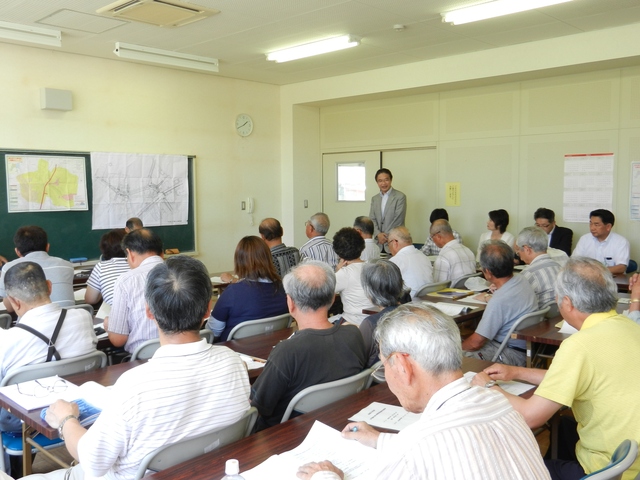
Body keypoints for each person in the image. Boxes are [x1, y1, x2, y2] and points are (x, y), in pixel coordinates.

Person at [30, 255, 251, 480]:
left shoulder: (135, 384)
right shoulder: (233, 362)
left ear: (149, 312)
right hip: (208, 471)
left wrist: (66, 419)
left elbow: (93, 463)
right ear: (207, 310)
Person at [297, 304, 550, 480]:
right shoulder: (498, 403)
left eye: (385, 366)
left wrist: (325, 476)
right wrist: (379, 439)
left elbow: (424, 448)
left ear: (404, 366)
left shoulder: (415, 447)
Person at [472, 257, 640, 480]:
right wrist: (516, 372)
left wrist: (489, 386)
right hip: (631, 459)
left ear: (567, 303)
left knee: (518, 468)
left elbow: (531, 417)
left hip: (605, 468)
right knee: (565, 428)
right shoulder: (628, 325)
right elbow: (571, 376)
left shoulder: (579, 345)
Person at [251, 261, 366, 430]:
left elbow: (258, 407)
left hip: (287, 434)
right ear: (333, 298)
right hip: (338, 421)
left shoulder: (287, 352)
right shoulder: (354, 335)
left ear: (290, 303)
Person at [0, 262, 97, 433]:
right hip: (80, 406)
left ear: (14, 301)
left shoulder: (7, 339)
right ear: (49, 287)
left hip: (22, 420)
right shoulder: (83, 317)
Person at [462, 240, 537, 366]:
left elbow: (476, 343)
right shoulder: (521, 279)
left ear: (488, 272)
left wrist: (457, 349)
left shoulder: (498, 301)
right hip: (528, 349)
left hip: (509, 353)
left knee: (452, 358)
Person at [206, 236, 287, 341]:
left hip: (235, 352)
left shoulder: (233, 293)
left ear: (239, 261)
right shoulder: (284, 289)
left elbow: (212, 332)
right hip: (270, 349)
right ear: (268, 258)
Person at [105, 228, 163, 354]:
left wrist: (109, 325)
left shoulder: (126, 280)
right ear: (162, 253)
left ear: (130, 253)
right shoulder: (184, 273)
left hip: (142, 361)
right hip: (184, 355)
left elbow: (118, 339)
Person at [0, 226, 74, 312]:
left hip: (31, 323)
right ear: (47, 247)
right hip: (67, 320)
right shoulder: (67, 266)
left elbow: (10, 308)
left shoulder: (9, 268)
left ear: (17, 252)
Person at [359, 260, 404, 367]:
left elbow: (359, 360)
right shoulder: (413, 313)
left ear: (370, 292)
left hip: (377, 380)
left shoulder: (370, 324)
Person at [332, 227, 375, 326]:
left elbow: (325, 296)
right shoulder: (372, 267)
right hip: (374, 320)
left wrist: (337, 272)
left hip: (352, 321)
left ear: (338, 252)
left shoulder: (344, 273)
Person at [572, 209, 630, 275]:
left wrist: (597, 271)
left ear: (608, 227)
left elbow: (621, 267)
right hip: (587, 278)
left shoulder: (621, 242)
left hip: (611, 280)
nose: (592, 228)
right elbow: (574, 261)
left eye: (596, 225)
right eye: (591, 224)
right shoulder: (584, 239)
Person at [516, 227, 562, 308]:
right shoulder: (559, 267)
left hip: (539, 318)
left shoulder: (528, 273)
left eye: (519, 250)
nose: (518, 253)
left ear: (527, 249)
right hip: (558, 316)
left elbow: (515, 302)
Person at [84, 229, 130, 306]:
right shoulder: (138, 264)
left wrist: (104, 289)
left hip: (115, 315)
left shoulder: (101, 267)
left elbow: (90, 300)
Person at [388, 226, 433, 298]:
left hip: (408, 304)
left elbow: (386, 290)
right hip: (427, 301)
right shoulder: (424, 257)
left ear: (394, 243)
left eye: (388, 244)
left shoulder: (395, 261)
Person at [369, 168, 406, 252]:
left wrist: (385, 237)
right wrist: (378, 234)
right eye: (380, 181)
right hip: (378, 244)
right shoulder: (375, 199)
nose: (383, 183)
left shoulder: (400, 197)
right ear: (377, 182)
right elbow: (372, 219)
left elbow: (398, 220)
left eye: (386, 180)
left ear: (391, 180)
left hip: (394, 242)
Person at [430, 219, 475, 285]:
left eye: (432, 237)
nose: (432, 240)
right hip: (469, 292)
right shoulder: (468, 251)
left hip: (450, 294)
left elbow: (437, 286)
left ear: (438, 237)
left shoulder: (443, 256)